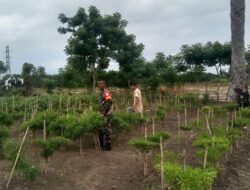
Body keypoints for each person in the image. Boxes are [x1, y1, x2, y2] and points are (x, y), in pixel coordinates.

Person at [98, 80, 112, 151]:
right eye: (98, 84)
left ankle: (108, 146)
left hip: (106, 114)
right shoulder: (101, 92)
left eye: (100, 84)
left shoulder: (106, 92)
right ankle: (102, 144)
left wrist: (104, 113)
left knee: (107, 129)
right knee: (102, 129)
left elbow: (109, 102)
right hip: (102, 114)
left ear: (104, 84)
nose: (99, 85)